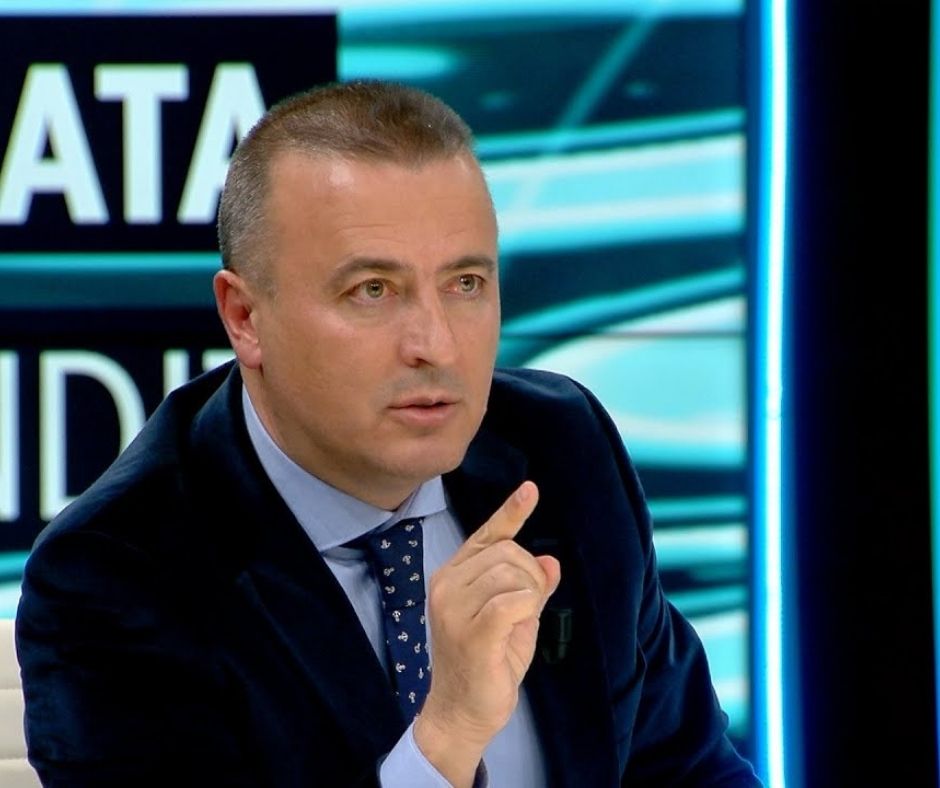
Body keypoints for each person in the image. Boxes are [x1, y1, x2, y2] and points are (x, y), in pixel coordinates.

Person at [16, 81, 760, 787]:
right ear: (245, 318)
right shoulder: (115, 577)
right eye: (372, 290)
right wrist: (447, 736)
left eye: (465, 284)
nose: (436, 344)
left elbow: (686, 766)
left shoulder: (561, 447)